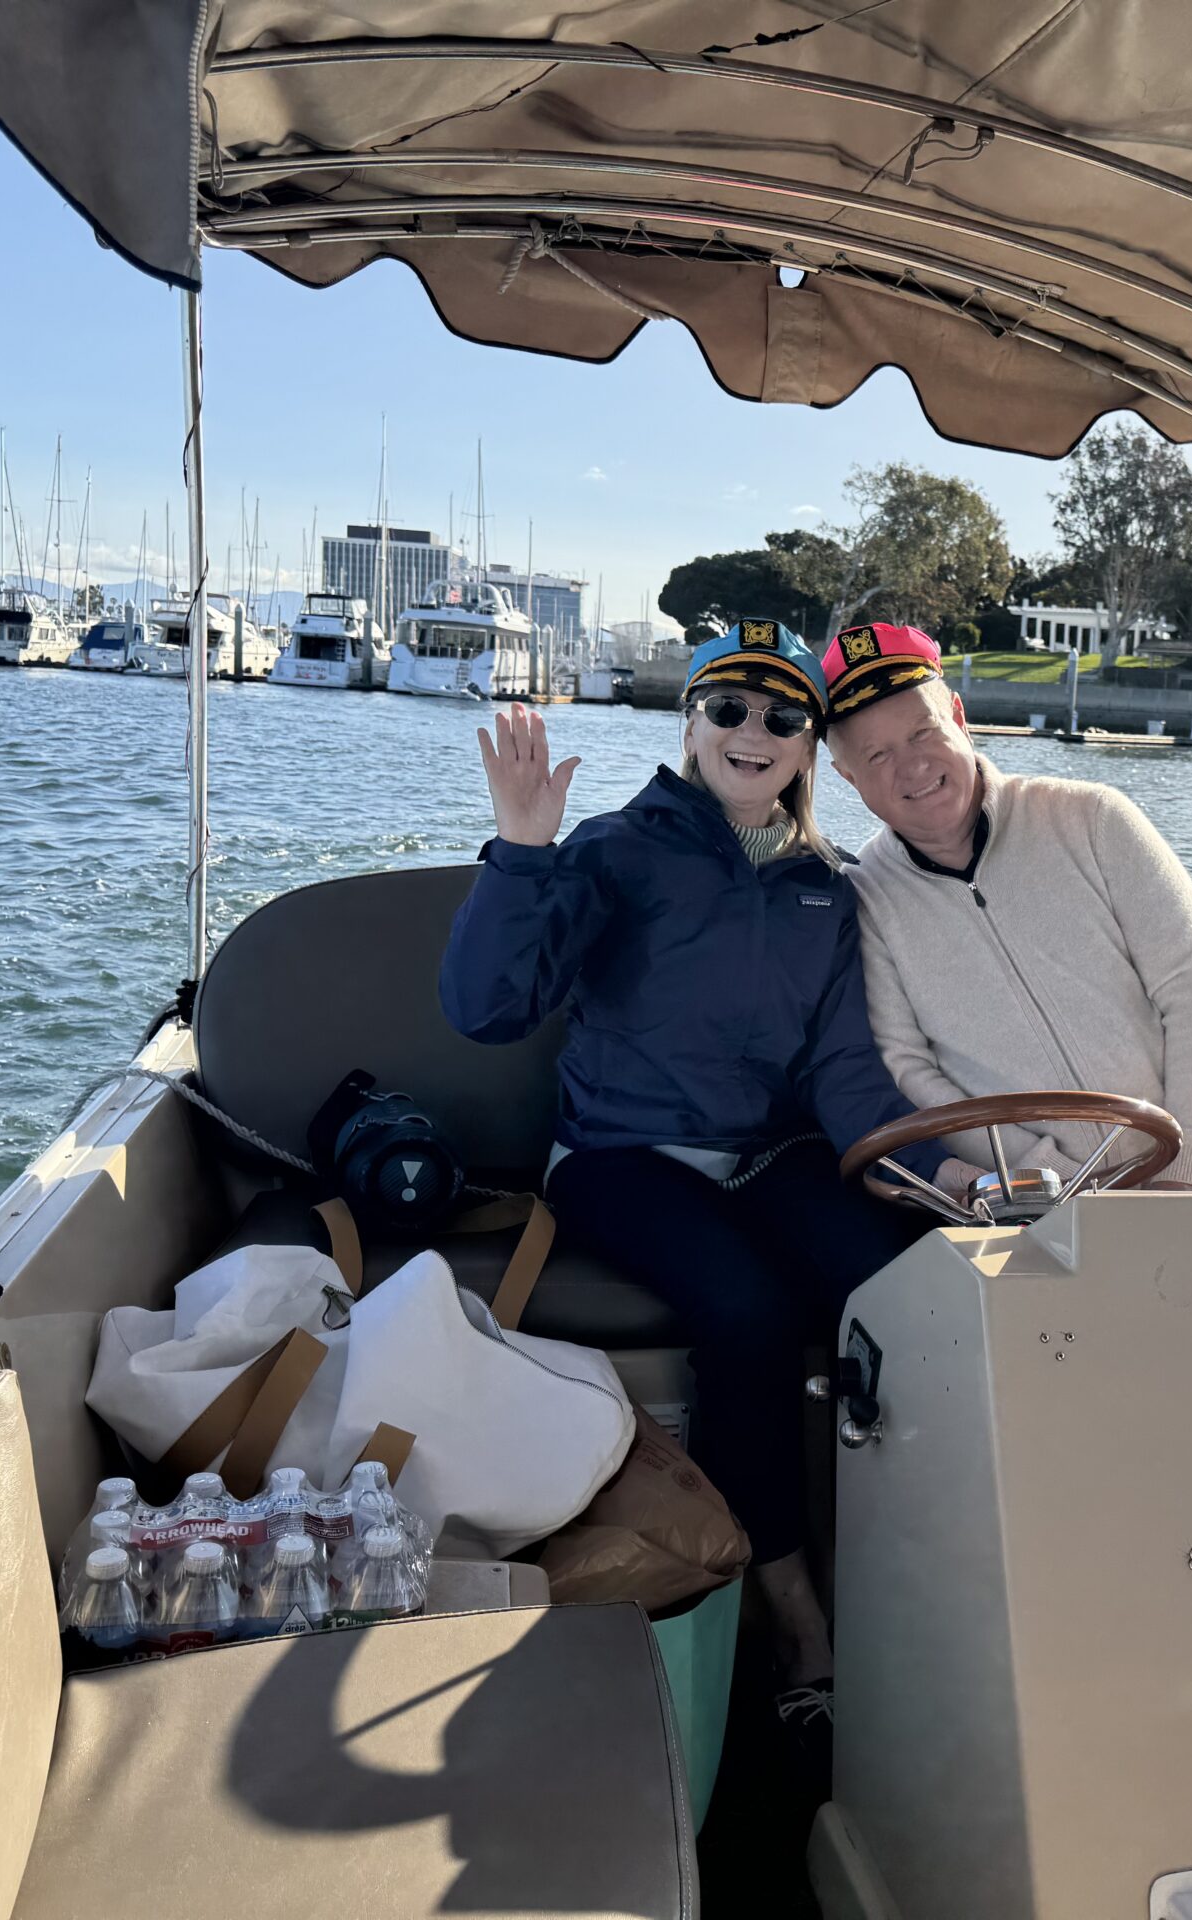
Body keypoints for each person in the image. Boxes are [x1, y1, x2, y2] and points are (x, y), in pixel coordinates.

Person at [438, 617, 943, 1734]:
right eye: (727, 707)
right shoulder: (615, 851)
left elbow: (844, 1071)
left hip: (770, 1154)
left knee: (908, 1287)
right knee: (748, 1312)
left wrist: (936, 1176)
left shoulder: (828, 888)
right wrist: (521, 849)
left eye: (782, 716)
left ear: (808, 748)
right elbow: (486, 1009)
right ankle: (790, 1618)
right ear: (690, 723)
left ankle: (929, 1574)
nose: (752, 731)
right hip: (619, 1155)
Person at [820, 622, 1192, 1312]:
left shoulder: (1095, 818)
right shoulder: (865, 898)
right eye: (877, 754)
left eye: (922, 732)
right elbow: (909, 1069)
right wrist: (1051, 1177)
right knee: (1050, 1333)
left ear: (959, 717)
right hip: (1027, 1192)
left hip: (1183, 1158)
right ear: (848, 777)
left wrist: (1187, 1174)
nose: (911, 766)